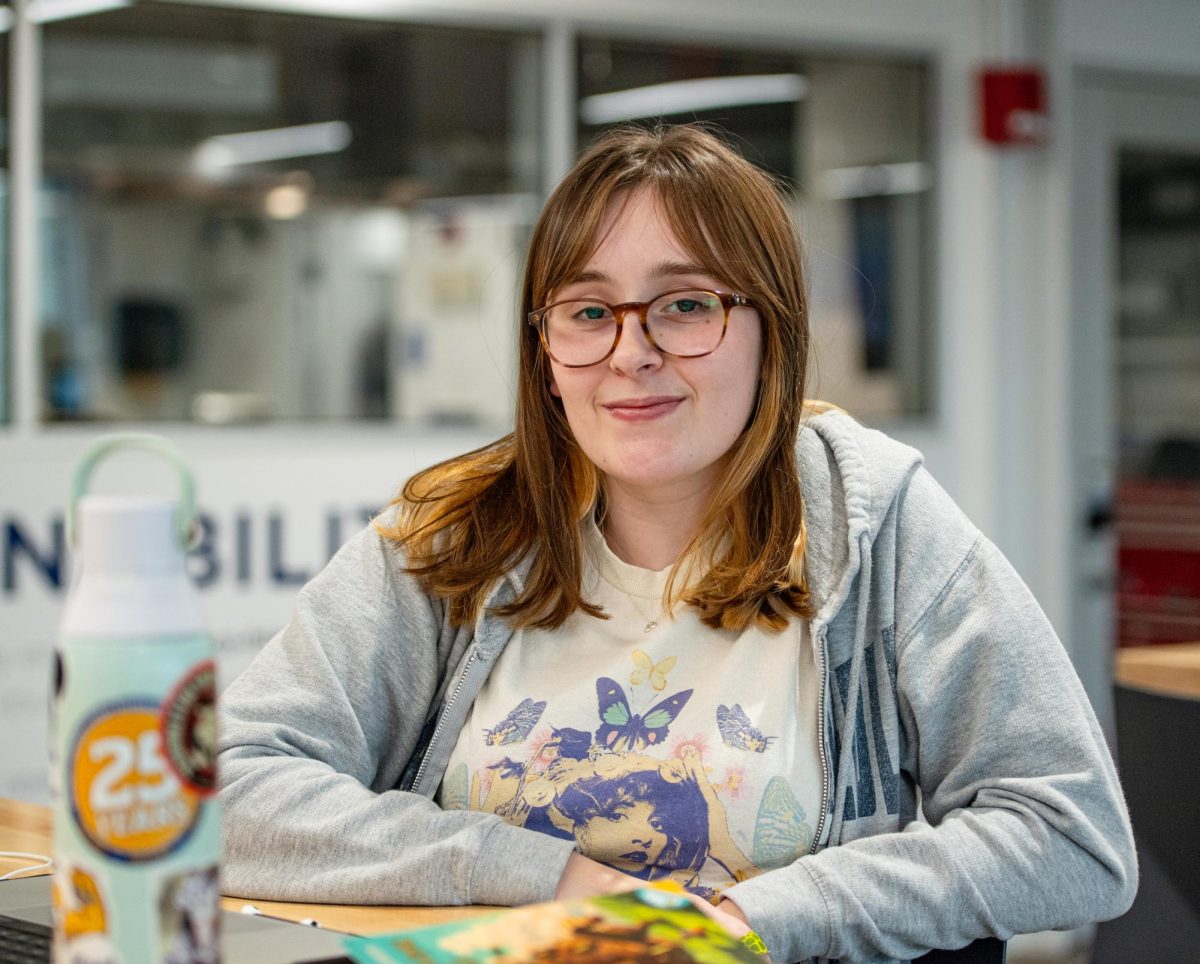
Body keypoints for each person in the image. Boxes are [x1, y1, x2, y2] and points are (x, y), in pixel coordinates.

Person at [219, 124, 1137, 962]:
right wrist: (554, 879)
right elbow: (223, 789)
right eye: (587, 312)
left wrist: (755, 922)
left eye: (685, 305)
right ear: (543, 352)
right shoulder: (452, 537)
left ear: (769, 330)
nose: (631, 352)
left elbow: (1069, 833)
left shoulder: (880, 526)